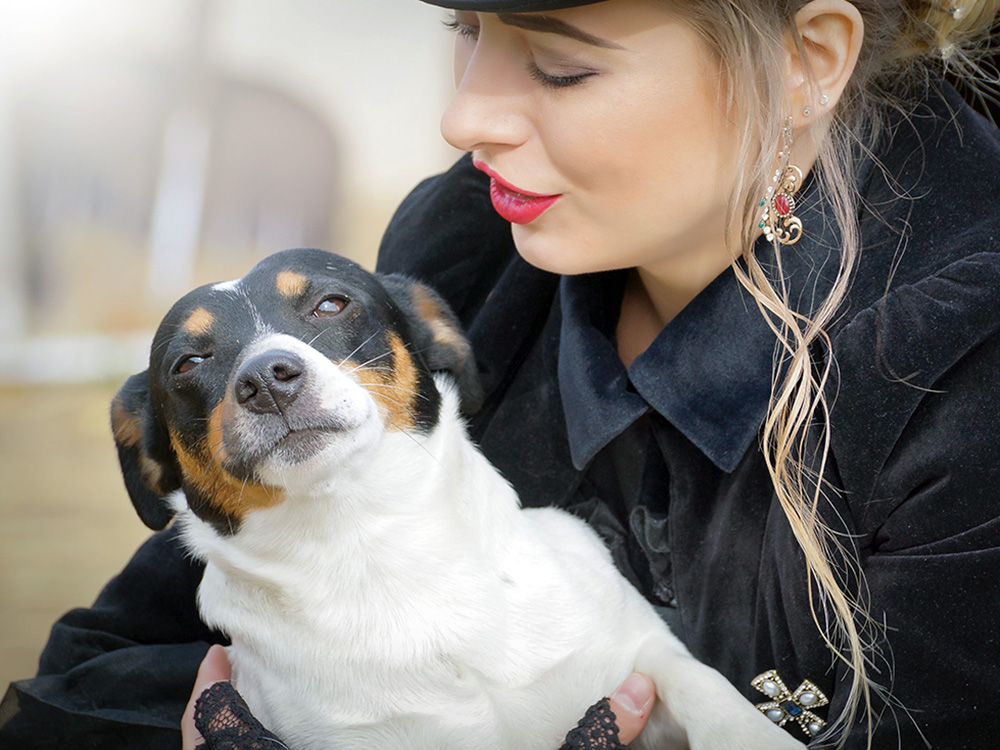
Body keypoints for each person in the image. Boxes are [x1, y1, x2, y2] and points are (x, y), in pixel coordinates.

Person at [2, 0, 1000, 747]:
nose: (464, 117)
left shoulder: (966, 362)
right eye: (465, 26)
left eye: (560, 65)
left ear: (806, 60)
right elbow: (85, 678)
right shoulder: (471, 242)